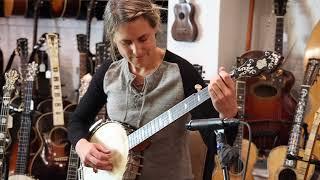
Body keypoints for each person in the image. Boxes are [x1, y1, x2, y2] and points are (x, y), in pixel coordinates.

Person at [68, 0, 237, 179]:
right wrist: (82, 146)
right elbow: (77, 121)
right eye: (126, 42)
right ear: (114, 40)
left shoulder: (183, 72)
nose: (137, 50)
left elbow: (217, 143)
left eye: (143, 38)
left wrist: (227, 114)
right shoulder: (109, 71)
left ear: (155, 28)